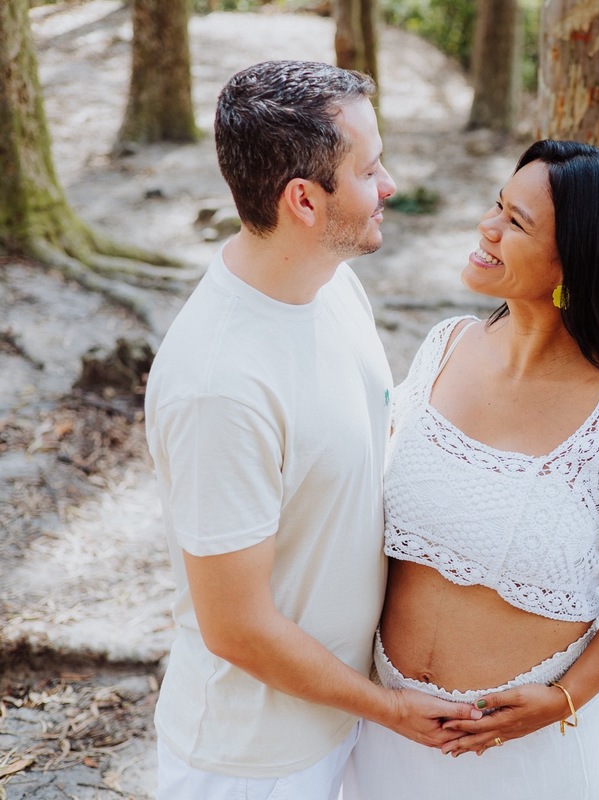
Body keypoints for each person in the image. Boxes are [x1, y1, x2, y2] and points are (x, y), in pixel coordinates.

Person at [144, 60, 479, 800]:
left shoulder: (334, 288)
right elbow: (236, 627)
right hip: (251, 762)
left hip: (343, 723)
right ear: (303, 199)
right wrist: (391, 708)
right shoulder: (218, 385)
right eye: (370, 168)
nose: (389, 184)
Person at [342, 139, 599, 798]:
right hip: (393, 730)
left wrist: (567, 697)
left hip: (526, 756)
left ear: (576, 259)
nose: (487, 227)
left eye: (516, 222)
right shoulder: (446, 347)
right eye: (497, 205)